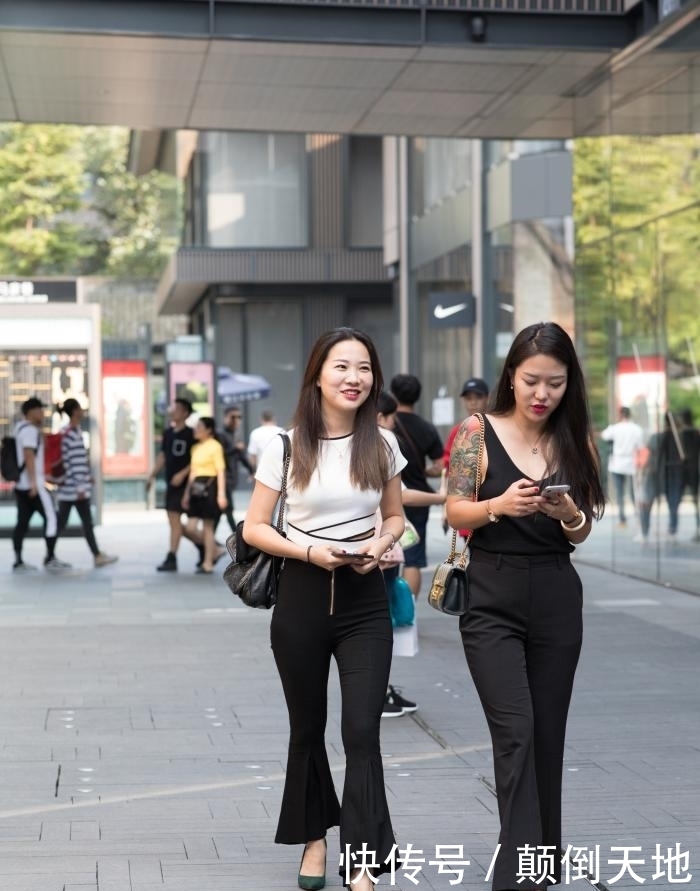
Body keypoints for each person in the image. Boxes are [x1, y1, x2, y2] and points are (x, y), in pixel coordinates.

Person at [243, 328, 406, 891]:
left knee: (362, 730)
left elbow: (395, 518)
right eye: (342, 367)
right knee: (307, 728)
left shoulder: (381, 445)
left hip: (365, 603)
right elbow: (254, 527)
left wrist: (378, 549)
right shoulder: (285, 446)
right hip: (302, 600)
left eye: (364, 368)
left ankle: (362, 861)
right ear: (317, 375)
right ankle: (315, 839)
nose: (354, 378)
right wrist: (309, 550)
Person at [446, 321, 605, 891]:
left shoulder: (575, 437)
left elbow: (581, 531)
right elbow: (454, 512)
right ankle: (518, 878)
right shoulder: (476, 431)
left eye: (556, 384)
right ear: (511, 375)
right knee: (516, 730)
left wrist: (568, 517)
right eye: (532, 380)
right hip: (491, 594)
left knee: (547, 736)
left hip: (558, 595)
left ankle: (542, 864)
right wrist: (500, 505)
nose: (542, 394)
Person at [376, 390, 447, 718]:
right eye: (390, 419)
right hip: (382, 553)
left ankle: (380, 690)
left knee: (379, 623)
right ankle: (378, 693)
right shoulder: (377, 445)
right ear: (380, 418)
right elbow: (403, 496)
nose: (393, 424)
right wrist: (443, 498)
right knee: (380, 625)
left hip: (372, 554)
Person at [390, 373, 444, 598]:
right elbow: (440, 465)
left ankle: (389, 610)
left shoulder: (386, 423)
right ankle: (408, 613)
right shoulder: (427, 427)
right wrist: (423, 470)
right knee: (413, 559)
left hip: (390, 497)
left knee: (388, 554)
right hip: (420, 498)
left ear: (393, 394)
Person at [11, 396, 71, 573]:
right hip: (33, 486)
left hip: (21, 485)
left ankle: (18, 560)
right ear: (30, 412)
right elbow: (29, 456)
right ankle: (50, 557)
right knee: (52, 518)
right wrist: (34, 484)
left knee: (22, 523)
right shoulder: (29, 430)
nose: (42, 413)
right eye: (39, 409)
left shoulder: (19, 428)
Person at [56, 398, 118, 568]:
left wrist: (86, 477)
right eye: (81, 408)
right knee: (69, 523)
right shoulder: (68, 433)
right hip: (74, 489)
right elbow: (69, 463)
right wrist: (80, 486)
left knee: (70, 522)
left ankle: (96, 554)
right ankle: (51, 555)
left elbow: (77, 461)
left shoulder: (74, 431)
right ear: (75, 411)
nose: (83, 411)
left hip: (74, 487)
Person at [146, 398, 202, 572]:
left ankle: (172, 556)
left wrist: (183, 473)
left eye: (177, 408)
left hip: (186, 485)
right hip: (171, 483)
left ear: (185, 413)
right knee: (174, 522)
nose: (173, 411)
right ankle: (205, 545)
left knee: (175, 521)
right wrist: (152, 475)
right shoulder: (168, 432)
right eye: (173, 407)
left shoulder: (191, 434)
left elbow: (197, 459)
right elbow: (163, 456)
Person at [443, 377, 490, 540]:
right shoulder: (459, 430)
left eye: (478, 397)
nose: (472, 403)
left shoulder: (498, 427)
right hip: (467, 506)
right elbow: (450, 471)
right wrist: (446, 507)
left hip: (495, 505)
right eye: (468, 398)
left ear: (487, 398)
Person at [182, 417, 228, 574]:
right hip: (196, 488)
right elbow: (192, 472)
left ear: (209, 430)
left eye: (199, 426)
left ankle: (208, 563)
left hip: (210, 487)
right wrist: (186, 494)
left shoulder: (215, 446)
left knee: (208, 527)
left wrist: (221, 494)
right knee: (189, 528)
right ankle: (215, 549)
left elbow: (220, 471)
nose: (196, 429)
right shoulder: (195, 448)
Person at [600, 406, 644, 527]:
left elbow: (604, 435)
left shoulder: (615, 428)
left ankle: (622, 518)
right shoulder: (637, 429)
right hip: (630, 463)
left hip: (617, 463)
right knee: (633, 492)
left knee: (620, 492)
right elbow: (640, 447)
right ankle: (637, 517)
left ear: (620, 415)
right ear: (630, 415)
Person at [218, 406, 254, 535]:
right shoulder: (220, 434)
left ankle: (206, 543)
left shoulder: (236, 435)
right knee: (228, 510)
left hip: (232, 478)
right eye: (233, 417)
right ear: (225, 418)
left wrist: (251, 470)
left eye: (239, 417)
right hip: (223, 478)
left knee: (219, 513)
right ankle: (238, 539)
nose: (236, 420)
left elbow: (241, 456)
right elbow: (219, 455)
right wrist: (235, 448)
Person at [679, 408, 700, 541]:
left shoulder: (682, 434)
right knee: (695, 500)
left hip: (685, 470)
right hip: (695, 469)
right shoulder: (696, 433)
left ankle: (672, 528)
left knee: (676, 499)